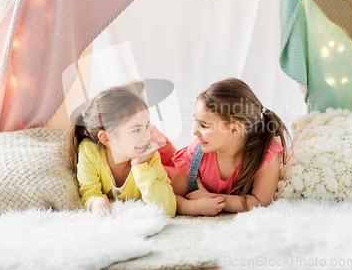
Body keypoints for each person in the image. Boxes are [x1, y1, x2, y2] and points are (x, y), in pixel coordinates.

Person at [171, 78, 291, 216]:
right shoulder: (194, 155)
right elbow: (169, 197)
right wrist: (193, 207)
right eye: (195, 121)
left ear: (234, 130)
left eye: (204, 125)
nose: (194, 131)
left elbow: (260, 201)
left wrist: (214, 200)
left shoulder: (264, 154)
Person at [69, 85, 176, 217]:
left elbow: (168, 209)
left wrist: (140, 166)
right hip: (130, 146)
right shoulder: (89, 151)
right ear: (107, 138)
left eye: (146, 126)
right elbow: (90, 192)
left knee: (178, 164)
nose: (146, 136)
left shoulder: (151, 157)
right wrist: (97, 201)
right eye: (136, 129)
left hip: (166, 162)